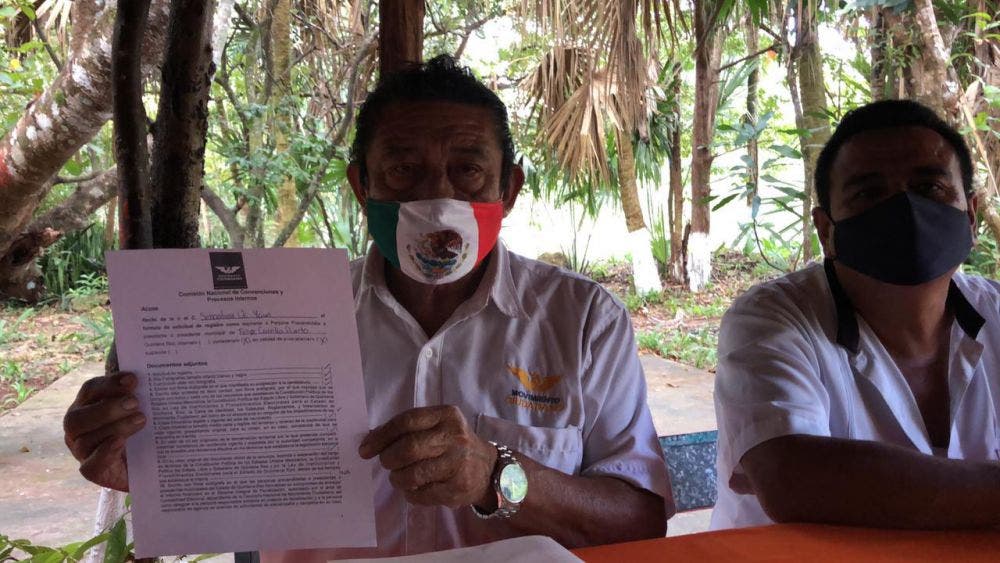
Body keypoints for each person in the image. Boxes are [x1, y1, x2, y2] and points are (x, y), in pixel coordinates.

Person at [62, 55, 674, 560]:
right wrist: (142, 465)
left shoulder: (583, 320)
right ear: (362, 187)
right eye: (404, 170)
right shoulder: (275, 318)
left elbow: (639, 521)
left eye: (467, 170)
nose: (437, 197)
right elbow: (212, 480)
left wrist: (497, 475)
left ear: (508, 189)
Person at [711, 99, 1000, 530]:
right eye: (869, 194)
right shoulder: (773, 319)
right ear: (826, 231)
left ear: (971, 215)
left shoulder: (995, 312)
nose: (905, 210)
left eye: (929, 188)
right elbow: (792, 477)